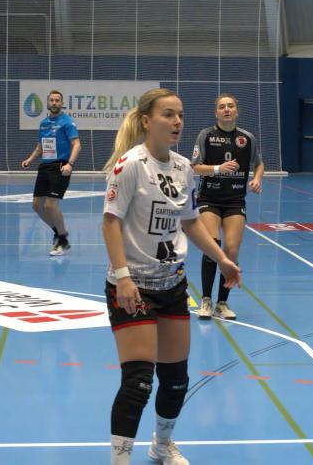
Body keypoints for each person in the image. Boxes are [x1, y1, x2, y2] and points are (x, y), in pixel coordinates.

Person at [102, 88, 241, 465]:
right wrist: (123, 277)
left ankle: (162, 445)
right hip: (133, 287)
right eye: (168, 114)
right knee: (138, 382)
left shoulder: (183, 168)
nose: (177, 121)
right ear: (147, 121)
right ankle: (119, 460)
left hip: (172, 285)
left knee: (176, 380)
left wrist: (222, 259)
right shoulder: (131, 165)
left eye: (180, 114)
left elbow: (191, 223)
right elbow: (110, 223)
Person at [191, 93, 264, 320]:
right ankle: (206, 300)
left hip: (235, 200)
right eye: (222, 106)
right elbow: (194, 167)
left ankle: (222, 303)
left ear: (237, 111)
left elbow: (259, 163)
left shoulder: (247, 138)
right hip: (209, 199)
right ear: (216, 112)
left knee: (231, 251)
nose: (226, 109)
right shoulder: (206, 135)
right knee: (213, 245)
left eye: (230, 106)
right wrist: (218, 169)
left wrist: (257, 179)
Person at [20, 89, 81, 256]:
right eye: (52, 100)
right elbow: (40, 146)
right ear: (48, 103)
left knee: (50, 205)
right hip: (45, 167)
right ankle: (59, 232)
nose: (54, 103)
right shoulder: (44, 123)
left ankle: (63, 241)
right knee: (36, 205)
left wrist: (70, 164)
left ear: (62, 103)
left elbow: (77, 145)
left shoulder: (67, 122)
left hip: (60, 167)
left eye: (57, 100)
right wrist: (30, 159)